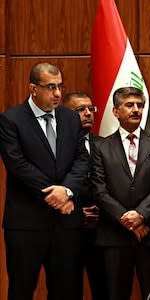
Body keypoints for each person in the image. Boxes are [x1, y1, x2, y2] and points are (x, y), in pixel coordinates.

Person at [0, 62, 90, 300]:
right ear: (33, 88)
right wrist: (56, 195)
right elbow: (18, 165)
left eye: (60, 86)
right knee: (21, 289)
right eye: (51, 87)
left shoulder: (71, 119)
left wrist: (67, 190)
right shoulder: (11, 120)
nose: (58, 93)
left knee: (66, 291)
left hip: (66, 225)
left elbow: (82, 160)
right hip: (26, 224)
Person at [90, 86, 150, 300]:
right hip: (114, 236)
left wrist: (141, 215)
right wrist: (127, 219)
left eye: (140, 105)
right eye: (129, 105)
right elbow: (99, 189)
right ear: (116, 112)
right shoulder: (101, 147)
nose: (136, 109)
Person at [63, 92, 108, 300]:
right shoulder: (55, 147)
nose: (88, 113)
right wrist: (78, 212)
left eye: (91, 109)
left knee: (105, 289)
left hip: (102, 230)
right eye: (80, 110)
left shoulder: (106, 145)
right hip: (68, 228)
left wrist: (102, 210)